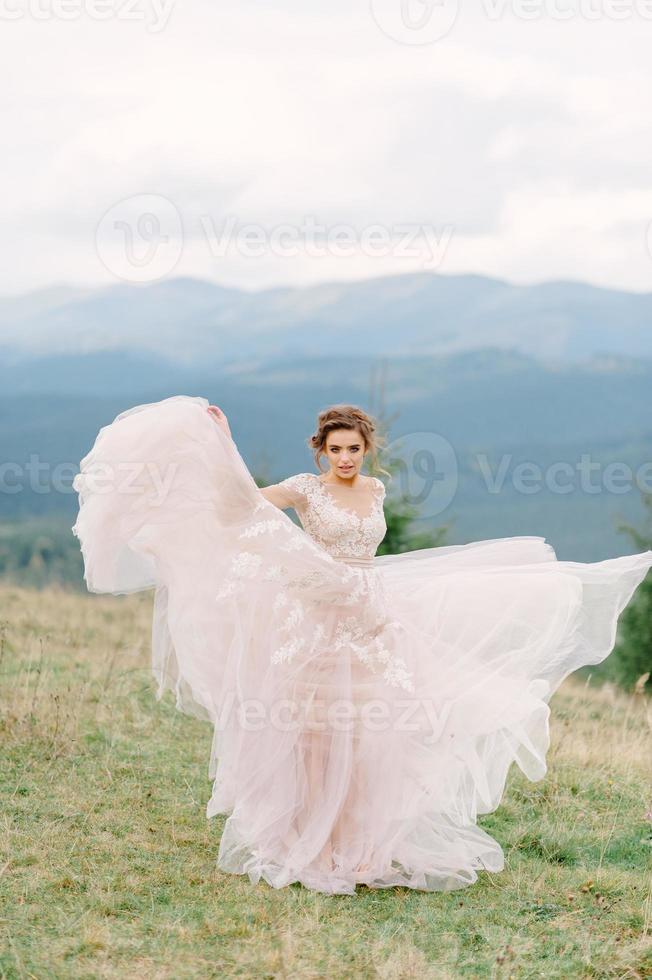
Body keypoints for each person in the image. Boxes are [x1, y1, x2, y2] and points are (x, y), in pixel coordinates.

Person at [71, 394, 652, 896]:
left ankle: (366, 843)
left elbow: (364, 551)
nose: (345, 459)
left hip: (371, 613)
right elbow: (242, 504)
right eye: (335, 449)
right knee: (314, 729)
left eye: (354, 448)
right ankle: (311, 841)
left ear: (365, 449)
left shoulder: (373, 491)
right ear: (320, 451)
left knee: (377, 730)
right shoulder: (304, 489)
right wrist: (222, 442)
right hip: (316, 615)